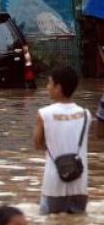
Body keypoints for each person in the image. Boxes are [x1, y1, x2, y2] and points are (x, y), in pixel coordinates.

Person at [34, 66, 91, 214]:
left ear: (58, 88)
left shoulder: (43, 114)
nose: (47, 87)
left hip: (53, 184)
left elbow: (38, 144)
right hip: (79, 183)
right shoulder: (86, 114)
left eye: (49, 83)